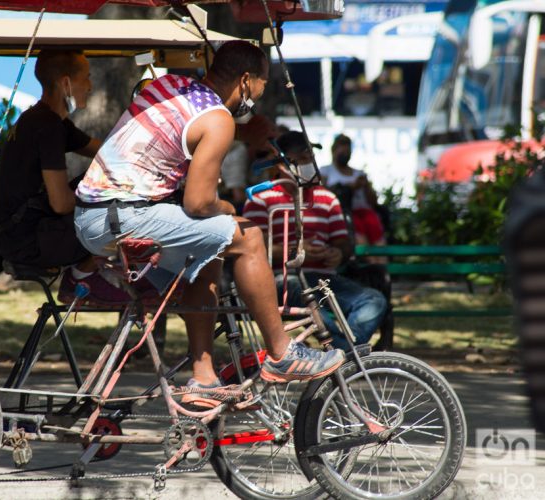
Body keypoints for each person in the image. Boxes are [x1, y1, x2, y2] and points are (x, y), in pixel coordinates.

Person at [74, 40, 345, 408]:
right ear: (246, 81)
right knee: (248, 235)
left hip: (93, 215)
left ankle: (203, 375)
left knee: (211, 249)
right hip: (122, 215)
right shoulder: (217, 119)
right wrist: (227, 205)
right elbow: (199, 202)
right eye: (264, 84)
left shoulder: (167, 87)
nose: (261, 95)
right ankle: (283, 353)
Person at [0, 49, 127, 303]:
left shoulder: (41, 118)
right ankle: (83, 276)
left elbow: (104, 152)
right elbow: (61, 203)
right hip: (29, 241)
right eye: (86, 78)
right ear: (66, 83)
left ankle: (84, 274)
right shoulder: (48, 127)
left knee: (109, 180)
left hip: (14, 234)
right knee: (123, 212)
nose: (90, 86)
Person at [243, 131, 387, 349]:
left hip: (324, 279)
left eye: (311, 156)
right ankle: (346, 353)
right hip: (283, 279)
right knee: (312, 307)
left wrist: (338, 253)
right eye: (303, 157)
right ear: (283, 164)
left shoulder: (326, 198)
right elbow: (256, 250)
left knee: (373, 300)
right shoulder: (261, 199)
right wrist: (297, 252)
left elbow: (343, 243)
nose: (310, 162)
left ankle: (342, 350)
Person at [320, 134, 387, 259]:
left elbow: (373, 202)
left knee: (378, 239)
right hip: (345, 214)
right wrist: (349, 187)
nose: (346, 154)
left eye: (348, 151)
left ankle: (382, 270)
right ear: (334, 151)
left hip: (366, 213)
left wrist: (366, 186)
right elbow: (323, 193)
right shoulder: (326, 171)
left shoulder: (359, 173)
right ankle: (373, 266)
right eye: (342, 151)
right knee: (360, 238)